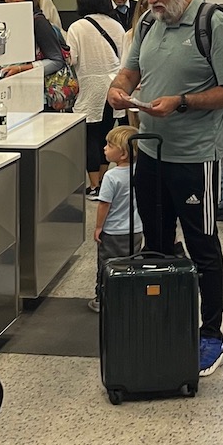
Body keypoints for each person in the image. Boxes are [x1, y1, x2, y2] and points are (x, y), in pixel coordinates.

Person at [108, 0, 223, 377]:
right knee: (156, 244)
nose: (149, 0)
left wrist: (183, 102)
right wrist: (118, 88)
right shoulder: (149, 23)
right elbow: (130, 72)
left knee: (203, 246)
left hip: (195, 159)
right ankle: (165, 317)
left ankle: (211, 333)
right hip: (151, 153)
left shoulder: (213, 23)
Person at [66, 0, 127, 192]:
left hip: (89, 87)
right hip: (113, 86)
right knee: (106, 136)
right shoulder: (117, 25)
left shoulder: (77, 27)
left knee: (90, 137)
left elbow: (71, 59)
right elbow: (124, 58)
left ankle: (92, 184)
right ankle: (101, 181)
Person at [88, 125, 143, 314]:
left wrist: (97, 227)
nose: (104, 148)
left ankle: (103, 297)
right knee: (131, 262)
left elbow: (104, 205)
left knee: (107, 264)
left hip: (112, 231)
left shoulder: (111, 177)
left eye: (109, 145)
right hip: (135, 229)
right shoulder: (140, 172)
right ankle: (129, 295)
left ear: (122, 154)